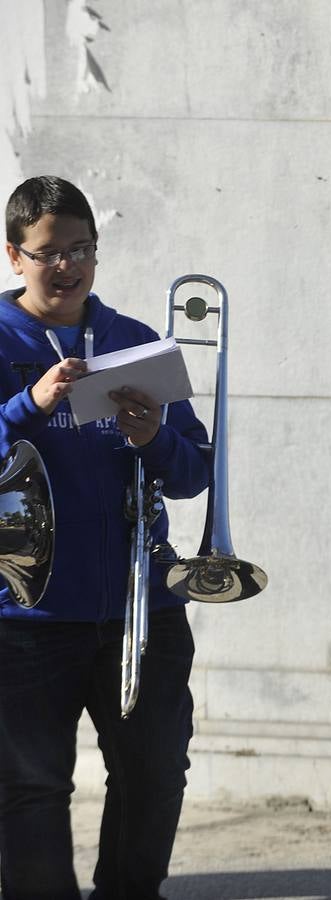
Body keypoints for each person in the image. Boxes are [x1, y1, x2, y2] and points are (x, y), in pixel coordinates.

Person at [0, 175, 211, 898]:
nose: (68, 266)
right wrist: (30, 404)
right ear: (14, 256)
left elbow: (190, 473)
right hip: (25, 613)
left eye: (81, 248)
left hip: (141, 601)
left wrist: (153, 436)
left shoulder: (134, 341)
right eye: (48, 252)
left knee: (155, 776)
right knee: (30, 790)